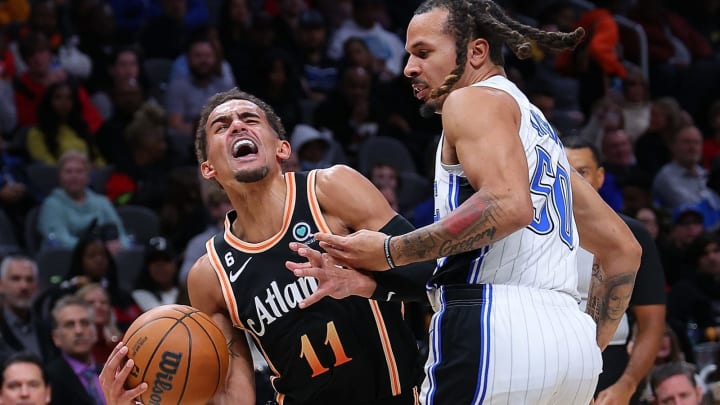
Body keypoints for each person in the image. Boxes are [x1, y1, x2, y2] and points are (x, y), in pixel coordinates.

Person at [298, 1, 642, 403]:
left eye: (423, 53)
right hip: (570, 347)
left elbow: (509, 205)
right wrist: (583, 345)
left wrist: (390, 251)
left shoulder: (471, 100)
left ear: (476, 52)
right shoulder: (537, 132)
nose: (408, 67)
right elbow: (623, 250)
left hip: (492, 326)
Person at [100, 88, 433, 405]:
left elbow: (432, 273)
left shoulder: (330, 191)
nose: (237, 126)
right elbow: (234, 398)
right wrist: (145, 398)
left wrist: (366, 284)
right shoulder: (210, 275)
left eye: (250, 118)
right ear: (208, 169)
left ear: (282, 148)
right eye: (221, 126)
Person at [565, 138, 666, 405]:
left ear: (600, 177)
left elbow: (651, 323)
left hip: (611, 361)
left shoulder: (632, 235)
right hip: (548, 359)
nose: (574, 182)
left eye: (582, 172)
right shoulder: (531, 233)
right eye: (565, 173)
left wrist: (627, 384)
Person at [46, 295, 105, 405]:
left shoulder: (107, 371)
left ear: (95, 332)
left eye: (85, 323)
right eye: (69, 325)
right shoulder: (48, 379)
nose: (79, 331)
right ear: (56, 337)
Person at [0, 255, 57, 362]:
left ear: (37, 286)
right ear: (1, 285)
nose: (24, 286)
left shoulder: (47, 328)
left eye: (29, 279)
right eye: (16, 279)